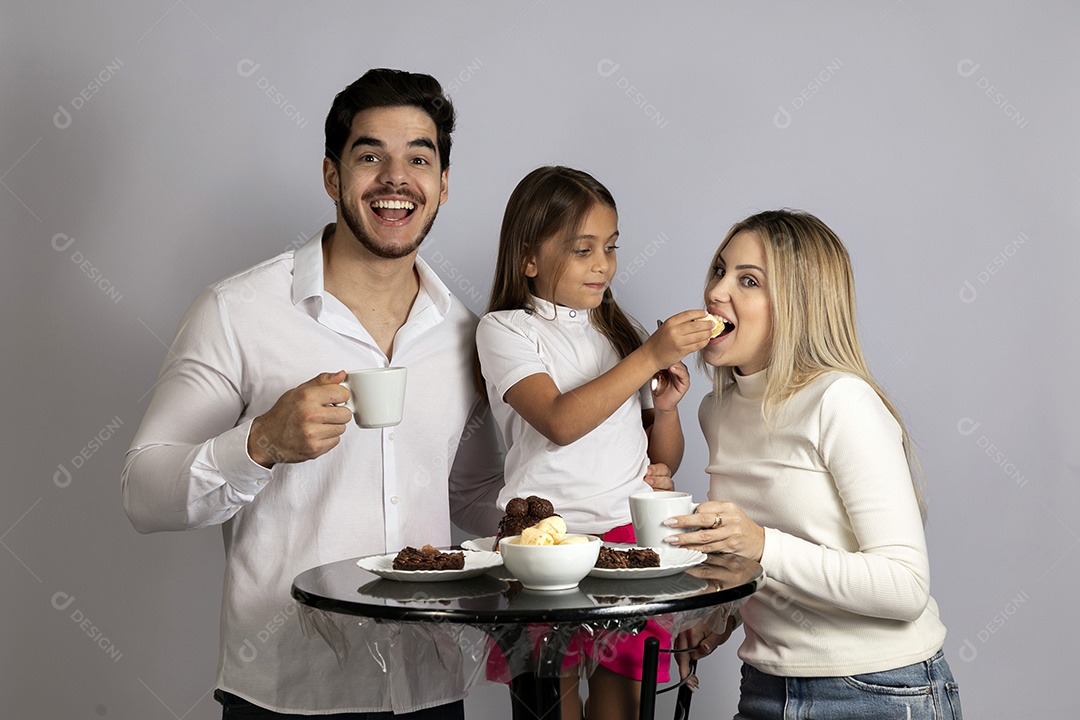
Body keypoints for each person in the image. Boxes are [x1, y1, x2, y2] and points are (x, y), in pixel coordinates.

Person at [121, 69, 505, 719]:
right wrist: (260, 442)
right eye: (369, 156)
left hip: (427, 689)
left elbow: (469, 493)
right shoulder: (237, 312)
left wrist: (589, 511)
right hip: (288, 692)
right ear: (332, 176)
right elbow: (142, 491)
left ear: (442, 184)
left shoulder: (466, 333)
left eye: (419, 156)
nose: (395, 177)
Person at [666, 209, 963, 719]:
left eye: (749, 280)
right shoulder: (716, 410)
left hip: (876, 691)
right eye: (719, 270)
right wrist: (725, 614)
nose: (716, 292)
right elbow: (784, 557)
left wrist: (759, 542)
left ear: (798, 306)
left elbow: (904, 587)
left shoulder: (841, 401)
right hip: (766, 686)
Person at [475, 165, 715, 720]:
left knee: (623, 707)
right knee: (548, 705)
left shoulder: (618, 336)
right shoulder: (506, 330)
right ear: (529, 258)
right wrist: (649, 356)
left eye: (609, 247)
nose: (603, 264)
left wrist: (669, 410)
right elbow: (559, 420)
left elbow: (660, 463)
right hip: (541, 547)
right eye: (583, 249)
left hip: (627, 544)